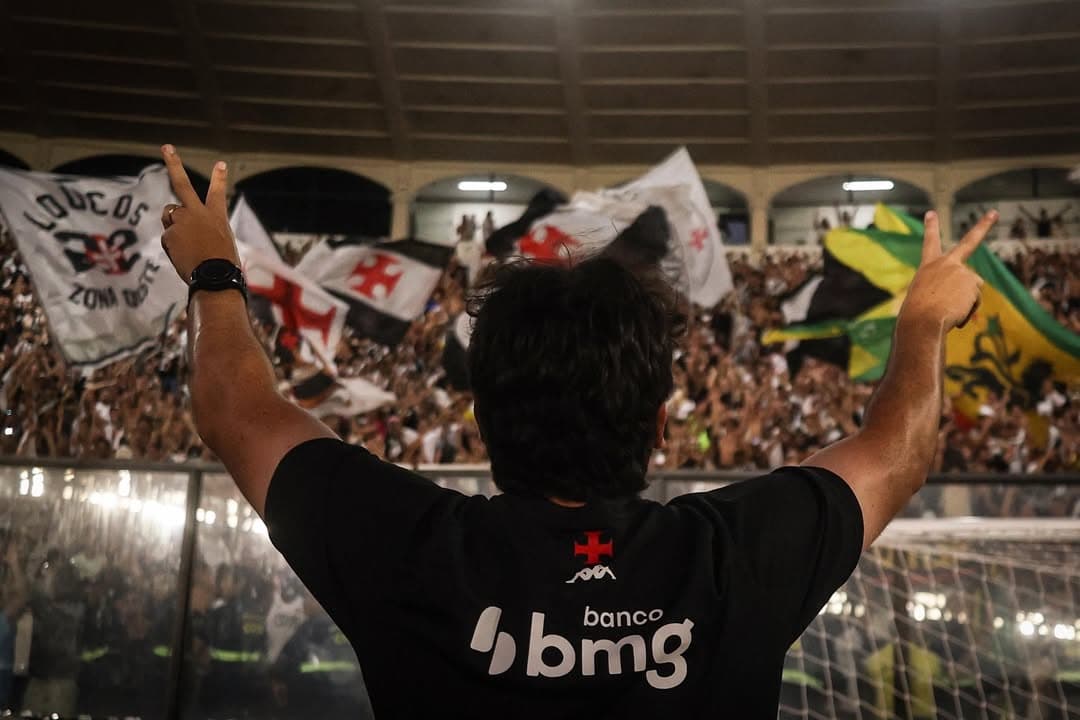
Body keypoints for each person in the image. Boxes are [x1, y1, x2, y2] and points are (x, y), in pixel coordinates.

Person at [157, 144, 993, 717]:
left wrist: (215, 271)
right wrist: (923, 323)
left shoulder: (409, 549)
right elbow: (898, 454)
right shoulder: (730, 558)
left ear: (480, 418)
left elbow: (235, 410)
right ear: (660, 423)